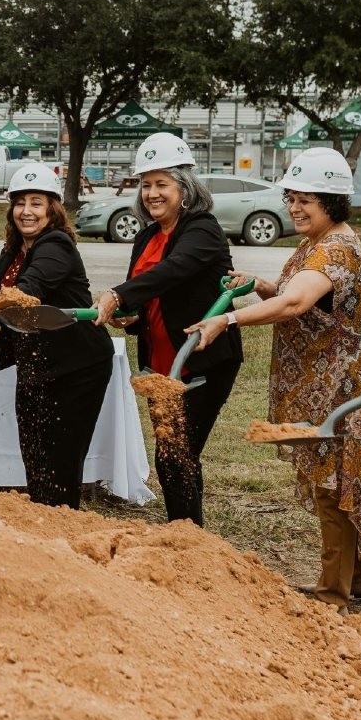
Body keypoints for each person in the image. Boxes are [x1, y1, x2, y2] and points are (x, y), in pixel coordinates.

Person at [186, 147, 361, 613]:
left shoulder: (336, 249)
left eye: (307, 199)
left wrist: (228, 321)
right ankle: (358, 577)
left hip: (342, 386)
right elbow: (300, 295)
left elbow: (296, 305)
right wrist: (259, 285)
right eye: (292, 197)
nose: (295, 207)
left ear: (333, 202)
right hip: (326, 382)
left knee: (334, 486)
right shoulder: (317, 243)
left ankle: (331, 596)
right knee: (342, 481)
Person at [92, 132, 243, 526]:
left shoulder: (203, 229)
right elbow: (146, 295)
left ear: (185, 187)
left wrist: (117, 295)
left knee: (175, 451)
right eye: (146, 185)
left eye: (162, 184)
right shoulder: (145, 236)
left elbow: (171, 272)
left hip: (201, 359)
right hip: (160, 362)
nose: (152, 193)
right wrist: (131, 315)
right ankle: (187, 532)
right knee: (173, 451)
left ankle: (187, 535)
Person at [0, 166, 112, 507]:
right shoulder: (12, 253)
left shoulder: (56, 245)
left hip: (77, 367)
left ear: (53, 210)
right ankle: (45, 519)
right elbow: (2, 297)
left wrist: (1, 301)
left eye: (37, 203)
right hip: (36, 365)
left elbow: (31, 285)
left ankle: (64, 526)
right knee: (35, 453)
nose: (27, 211)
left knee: (61, 460)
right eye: (20, 203)